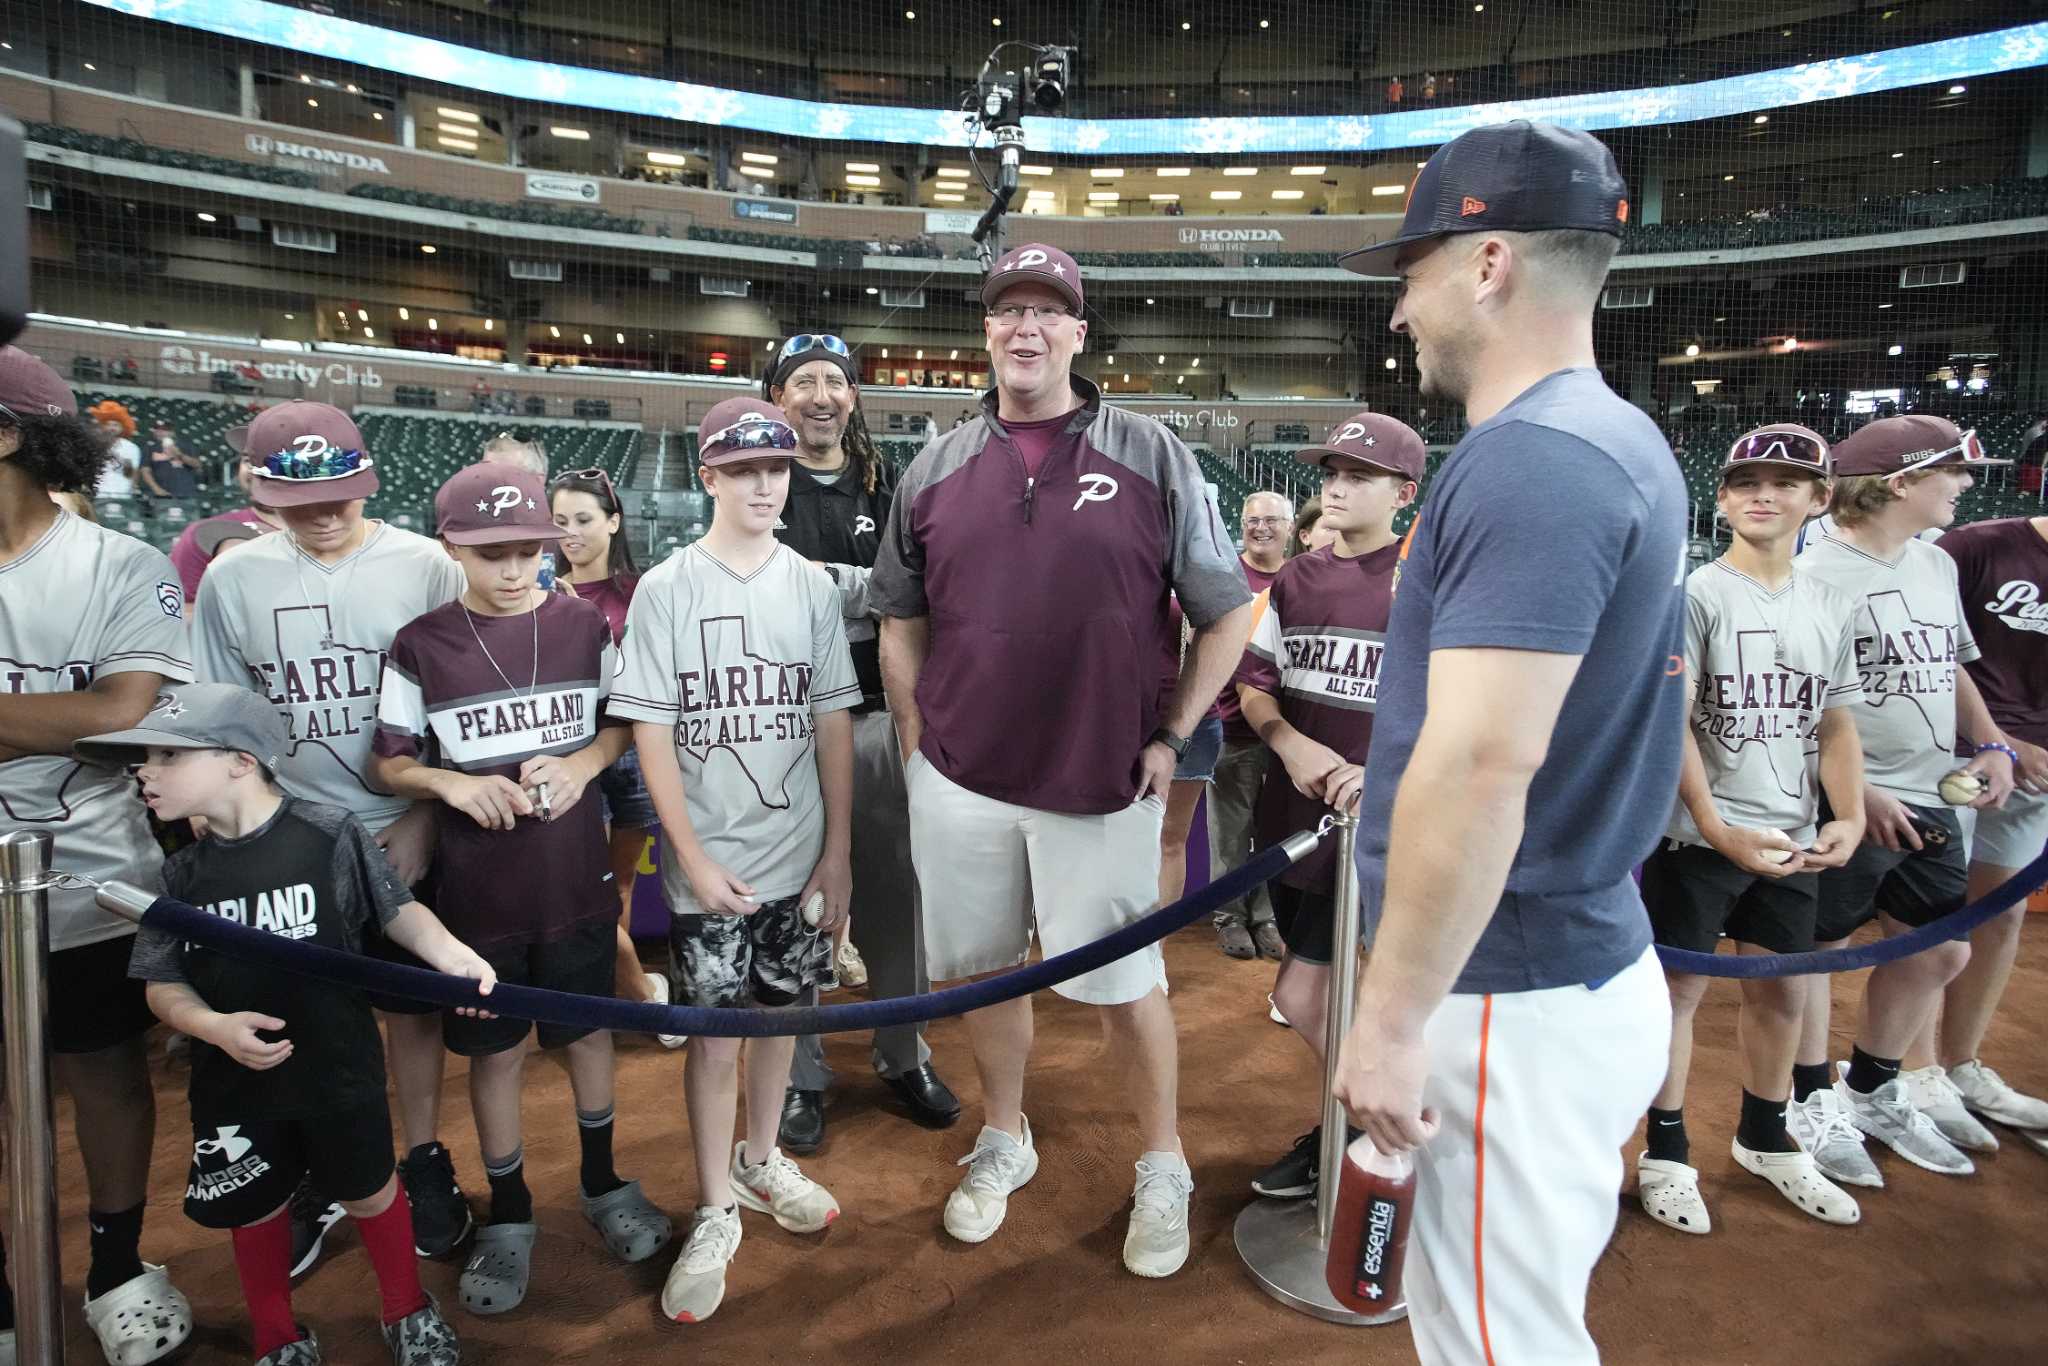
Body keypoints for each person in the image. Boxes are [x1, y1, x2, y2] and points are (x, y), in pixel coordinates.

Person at [1327, 123, 1682, 1363]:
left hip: (1505, 991)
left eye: (1412, 272)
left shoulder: (1528, 461)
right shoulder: (1613, 434)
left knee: (1499, 1344)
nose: (1399, 314)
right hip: (1561, 963)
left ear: (1487, 263)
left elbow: (1483, 765)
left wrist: (1384, 1019)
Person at [870, 242, 1255, 1278]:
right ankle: (1005, 1133)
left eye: (1047, 311)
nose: (1025, 328)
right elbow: (897, 621)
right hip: (959, 775)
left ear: (1080, 333)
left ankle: (1162, 1159)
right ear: (987, 330)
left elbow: (1225, 616)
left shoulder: (1150, 450)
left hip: (1100, 776)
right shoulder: (936, 464)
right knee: (985, 969)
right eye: (1008, 311)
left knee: (1128, 983)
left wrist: (1171, 738)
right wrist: (914, 740)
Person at [87, 684, 492, 1366]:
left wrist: (456, 957)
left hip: (337, 1067)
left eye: (166, 755)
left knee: (368, 1189)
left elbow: (396, 911)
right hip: (234, 1084)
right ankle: (275, 1333)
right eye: (144, 759)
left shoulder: (328, 832)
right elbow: (163, 984)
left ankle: (405, 1306)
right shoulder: (181, 872)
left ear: (240, 761)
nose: (144, 771)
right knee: (255, 1207)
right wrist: (212, 1026)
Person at [371, 462, 670, 1317]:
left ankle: (604, 1180)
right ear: (450, 549)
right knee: (496, 1056)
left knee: (586, 1040)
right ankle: (509, 1211)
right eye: (489, 553)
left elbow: (623, 726)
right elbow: (388, 761)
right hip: (477, 904)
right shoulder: (422, 641)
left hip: (575, 887)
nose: (511, 569)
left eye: (527, 551)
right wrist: (449, 785)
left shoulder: (581, 625)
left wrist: (581, 763)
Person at [192, 400, 477, 1262]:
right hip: (290, 831)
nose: (324, 512)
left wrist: (426, 811)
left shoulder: (425, 565)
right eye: (301, 498)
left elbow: (460, 707)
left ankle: (422, 1155)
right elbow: (221, 721)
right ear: (259, 491)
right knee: (300, 1019)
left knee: (411, 1010)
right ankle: (323, 1171)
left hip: (399, 824)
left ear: (368, 481)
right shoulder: (232, 580)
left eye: (341, 495)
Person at [609, 397, 857, 1325]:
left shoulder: (810, 584)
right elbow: (652, 732)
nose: (764, 483)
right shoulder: (668, 585)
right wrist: (690, 855)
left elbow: (832, 719)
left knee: (784, 1017)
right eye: (744, 468)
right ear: (707, 475)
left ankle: (762, 1161)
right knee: (715, 1039)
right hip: (711, 864)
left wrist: (838, 850)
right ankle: (715, 1201)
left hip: (797, 857)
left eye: (778, 467)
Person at [0, 346, 196, 1366]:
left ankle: (116, 1266)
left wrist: (77, 718)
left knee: (106, 1073)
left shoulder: (121, 564)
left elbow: (122, 713)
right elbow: (75, 714)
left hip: (91, 875)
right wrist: (48, 719)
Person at [1636, 424, 1867, 1237]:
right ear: (1724, 497)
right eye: (1744, 482)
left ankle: (1766, 1136)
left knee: (1781, 990)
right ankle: (1666, 1150)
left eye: (1784, 481)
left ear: (1819, 498)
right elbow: (1675, 722)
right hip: (1698, 840)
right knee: (1678, 993)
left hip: (1791, 836)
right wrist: (1713, 824)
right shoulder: (1695, 594)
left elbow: (1834, 720)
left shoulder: (1832, 602)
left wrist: (1851, 815)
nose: (1761, 494)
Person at [1790, 414, 2019, 1180]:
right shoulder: (1813, 575)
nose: (1963, 486)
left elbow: (1952, 665)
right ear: (1900, 482)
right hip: (1844, 800)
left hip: (1930, 789)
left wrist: (1989, 741)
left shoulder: (1935, 565)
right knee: (1818, 953)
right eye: (1952, 472)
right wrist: (1859, 793)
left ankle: (1873, 1091)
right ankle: (1806, 1100)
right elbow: (1791, 708)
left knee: (1942, 948)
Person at [762, 332, 958, 1154]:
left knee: (896, 898)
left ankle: (901, 1051)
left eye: (833, 381)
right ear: (778, 397)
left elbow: (915, 595)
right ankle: (801, 1073)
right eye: (801, 379)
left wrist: (837, 590)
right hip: (785, 723)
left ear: (852, 397)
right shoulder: (760, 478)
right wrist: (865, 594)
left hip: (881, 712)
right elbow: (772, 585)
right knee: (802, 900)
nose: (819, 394)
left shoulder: (895, 481)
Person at [1236, 415, 1423, 1201]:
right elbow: (1254, 686)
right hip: (1296, 825)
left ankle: (1377, 1125)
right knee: (1312, 992)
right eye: (1332, 472)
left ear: (1404, 494)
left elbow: (1456, 715)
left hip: (1386, 833)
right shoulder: (1297, 579)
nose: (1337, 486)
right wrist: (1288, 742)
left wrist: (1381, 776)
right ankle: (1367, 1124)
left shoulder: (1425, 586)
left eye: (1360, 475)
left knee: (1315, 997)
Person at [1898, 510, 2048, 1135]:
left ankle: (1963, 1064)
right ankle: (1910, 1069)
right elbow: (1923, 651)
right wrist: (2002, 740)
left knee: (2002, 911)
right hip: (1958, 758)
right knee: (1933, 917)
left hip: (2039, 773)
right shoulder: (1979, 546)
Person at [549, 467, 671, 1025]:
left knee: (619, 884)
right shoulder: (540, 592)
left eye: (583, 519)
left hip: (636, 755)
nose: (570, 533)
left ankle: (610, 987)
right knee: (586, 889)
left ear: (612, 522)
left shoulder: (643, 591)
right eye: (559, 523)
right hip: (574, 755)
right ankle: (637, 993)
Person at [1208, 489, 1294, 959]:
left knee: (1273, 832)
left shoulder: (1300, 577)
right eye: (1252, 520)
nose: (1261, 528)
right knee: (1230, 834)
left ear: (1289, 526)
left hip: (1284, 730)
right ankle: (1230, 918)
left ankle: (1265, 917)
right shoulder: (1227, 574)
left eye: (1272, 521)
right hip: (1231, 726)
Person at [169, 421, 285, 605]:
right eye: (249, 460)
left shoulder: (335, 534)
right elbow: (175, 612)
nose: (258, 470)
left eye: (275, 460)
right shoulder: (205, 535)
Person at [89, 398, 140, 500]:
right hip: (98, 495)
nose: (112, 428)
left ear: (122, 428)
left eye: (116, 425)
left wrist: (116, 458)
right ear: (103, 427)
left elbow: (130, 473)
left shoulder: (131, 447)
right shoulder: (94, 445)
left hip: (122, 495)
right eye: (108, 425)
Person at [141, 422, 201, 499]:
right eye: (157, 429)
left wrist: (179, 454)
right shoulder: (149, 448)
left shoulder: (186, 446)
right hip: (162, 495)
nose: (160, 432)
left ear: (172, 432)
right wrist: (156, 489)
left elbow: (197, 464)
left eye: (164, 430)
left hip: (187, 494)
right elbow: (145, 471)